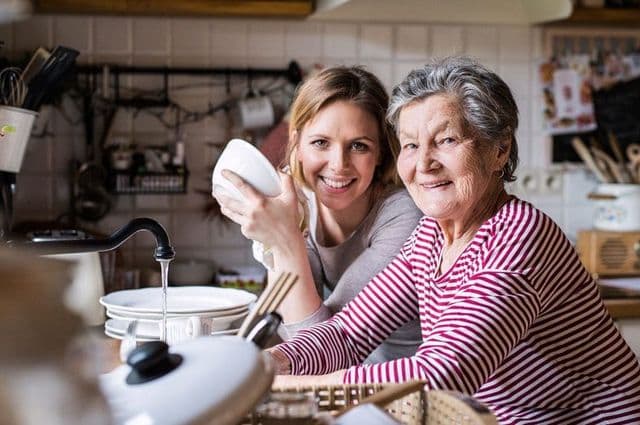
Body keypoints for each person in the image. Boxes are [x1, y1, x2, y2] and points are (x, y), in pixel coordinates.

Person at [266, 57, 640, 424]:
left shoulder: (520, 236)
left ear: (499, 150)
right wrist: (269, 365)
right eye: (411, 145)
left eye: (446, 140)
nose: (424, 163)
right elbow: (348, 334)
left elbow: (440, 374)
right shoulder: (430, 236)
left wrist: (282, 388)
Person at [214, 66, 423, 362]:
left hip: (404, 390)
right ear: (297, 144)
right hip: (346, 384)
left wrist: (284, 239)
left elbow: (320, 348)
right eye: (320, 143)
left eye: (359, 146)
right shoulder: (302, 202)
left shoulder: (403, 217)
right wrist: (274, 242)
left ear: (380, 155)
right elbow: (286, 327)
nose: (338, 164)